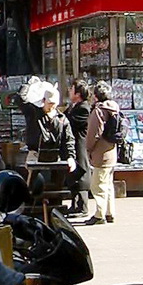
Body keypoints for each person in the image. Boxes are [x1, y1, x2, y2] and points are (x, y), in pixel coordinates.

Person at [84, 81, 120, 225]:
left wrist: (88, 148)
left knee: (97, 185)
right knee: (108, 184)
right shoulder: (114, 109)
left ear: (96, 96)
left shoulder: (98, 111)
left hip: (101, 153)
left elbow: (94, 133)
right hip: (112, 151)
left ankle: (99, 215)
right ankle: (110, 212)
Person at [64, 80, 91, 216]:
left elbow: (70, 122)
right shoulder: (74, 106)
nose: (69, 90)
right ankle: (74, 204)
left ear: (78, 93)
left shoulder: (84, 108)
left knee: (80, 172)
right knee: (72, 174)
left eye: (72, 89)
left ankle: (82, 206)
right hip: (73, 144)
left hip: (79, 144)